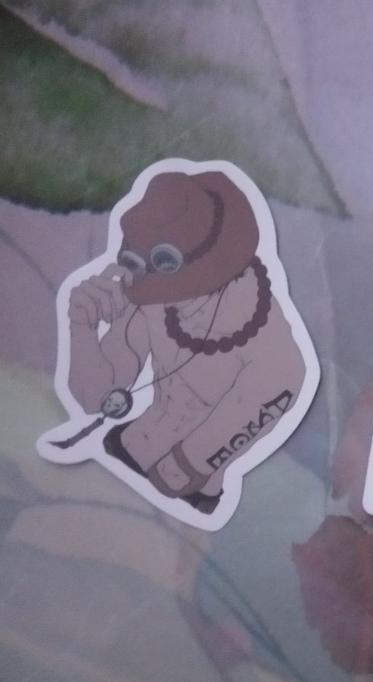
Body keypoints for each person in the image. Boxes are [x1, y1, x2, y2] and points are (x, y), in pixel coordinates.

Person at [61, 168, 308, 514]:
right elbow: (97, 397)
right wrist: (82, 327)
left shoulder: (269, 345)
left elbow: (279, 387)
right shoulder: (150, 297)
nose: (157, 290)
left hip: (185, 493)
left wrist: (178, 472)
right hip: (124, 451)